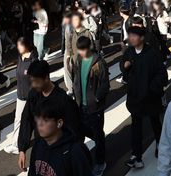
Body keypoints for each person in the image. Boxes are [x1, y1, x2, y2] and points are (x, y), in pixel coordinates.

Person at [17, 60, 81, 172]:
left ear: (46, 78)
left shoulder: (63, 100)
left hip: (59, 153)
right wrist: (22, 149)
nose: (33, 85)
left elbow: (75, 129)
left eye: (36, 81)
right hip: (40, 148)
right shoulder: (33, 94)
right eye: (31, 81)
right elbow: (26, 119)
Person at [120, 25, 168, 169]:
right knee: (136, 127)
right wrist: (125, 66)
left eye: (134, 36)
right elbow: (123, 66)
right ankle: (137, 156)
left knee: (155, 123)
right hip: (135, 98)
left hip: (150, 97)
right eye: (130, 36)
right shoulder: (129, 52)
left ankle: (160, 144)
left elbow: (162, 74)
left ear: (141, 38)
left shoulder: (152, 53)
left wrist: (152, 89)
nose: (131, 38)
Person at [70, 36, 109, 176]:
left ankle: (100, 162)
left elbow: (105, 84)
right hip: (81, 105)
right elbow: (76, 78)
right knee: (81, 131)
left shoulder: (99, 63)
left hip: (95, 107)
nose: (80, 52)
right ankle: (90, 155)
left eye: (82, 50)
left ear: (88, 48)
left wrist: (97, 98)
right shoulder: (78, 60)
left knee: (97, 134)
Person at [27, 99, 93, 176]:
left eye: (45, 120)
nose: (39, 124)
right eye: (38, 119)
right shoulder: (38, 145)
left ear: (59, 123)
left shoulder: (74, 151)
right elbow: (32, 172)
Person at [5, 36, 38, 154]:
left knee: (34, 120)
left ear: (26, 45)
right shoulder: (20, 58)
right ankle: (16, 144)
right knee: (18, 119)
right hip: (21, 95)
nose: (18, 47)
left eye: (20, 45)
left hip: (31, 97)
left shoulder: (34, 61)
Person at [64, 11, 91, 95]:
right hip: (74, 59)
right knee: (75, 77)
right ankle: (74, 91)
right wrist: (68, 55)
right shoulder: (71, 32)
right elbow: (68, 43)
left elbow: (91, 47)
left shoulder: (86, 32)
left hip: (85, 59)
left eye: (76, 19)